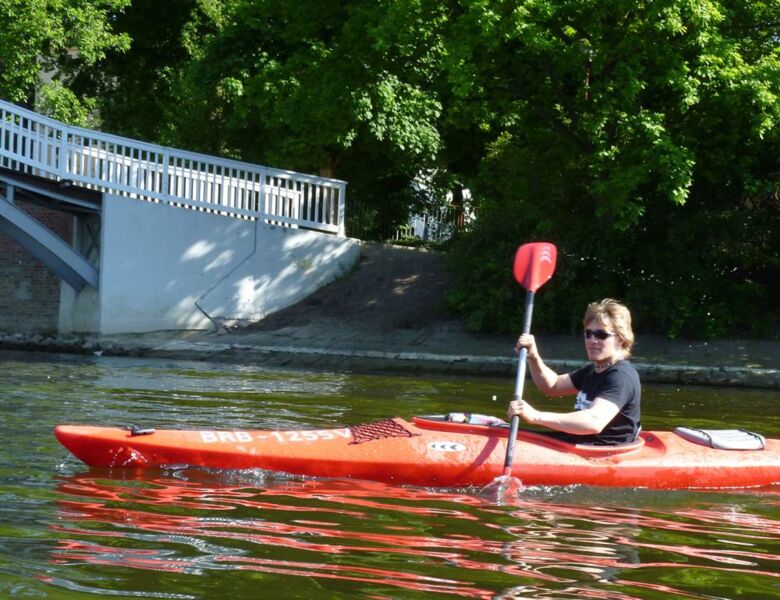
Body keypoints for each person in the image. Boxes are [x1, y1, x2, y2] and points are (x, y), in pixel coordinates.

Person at [508, 298, 640, 445]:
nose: (592, 340)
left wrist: (536, 416)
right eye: (588, 333)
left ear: (620, 339)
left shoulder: (621, 376)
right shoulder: (594, 370)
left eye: (601, 335)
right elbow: (553, 386)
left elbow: (594, 422)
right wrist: (533, 357)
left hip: (602, 454)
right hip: (576, 443)